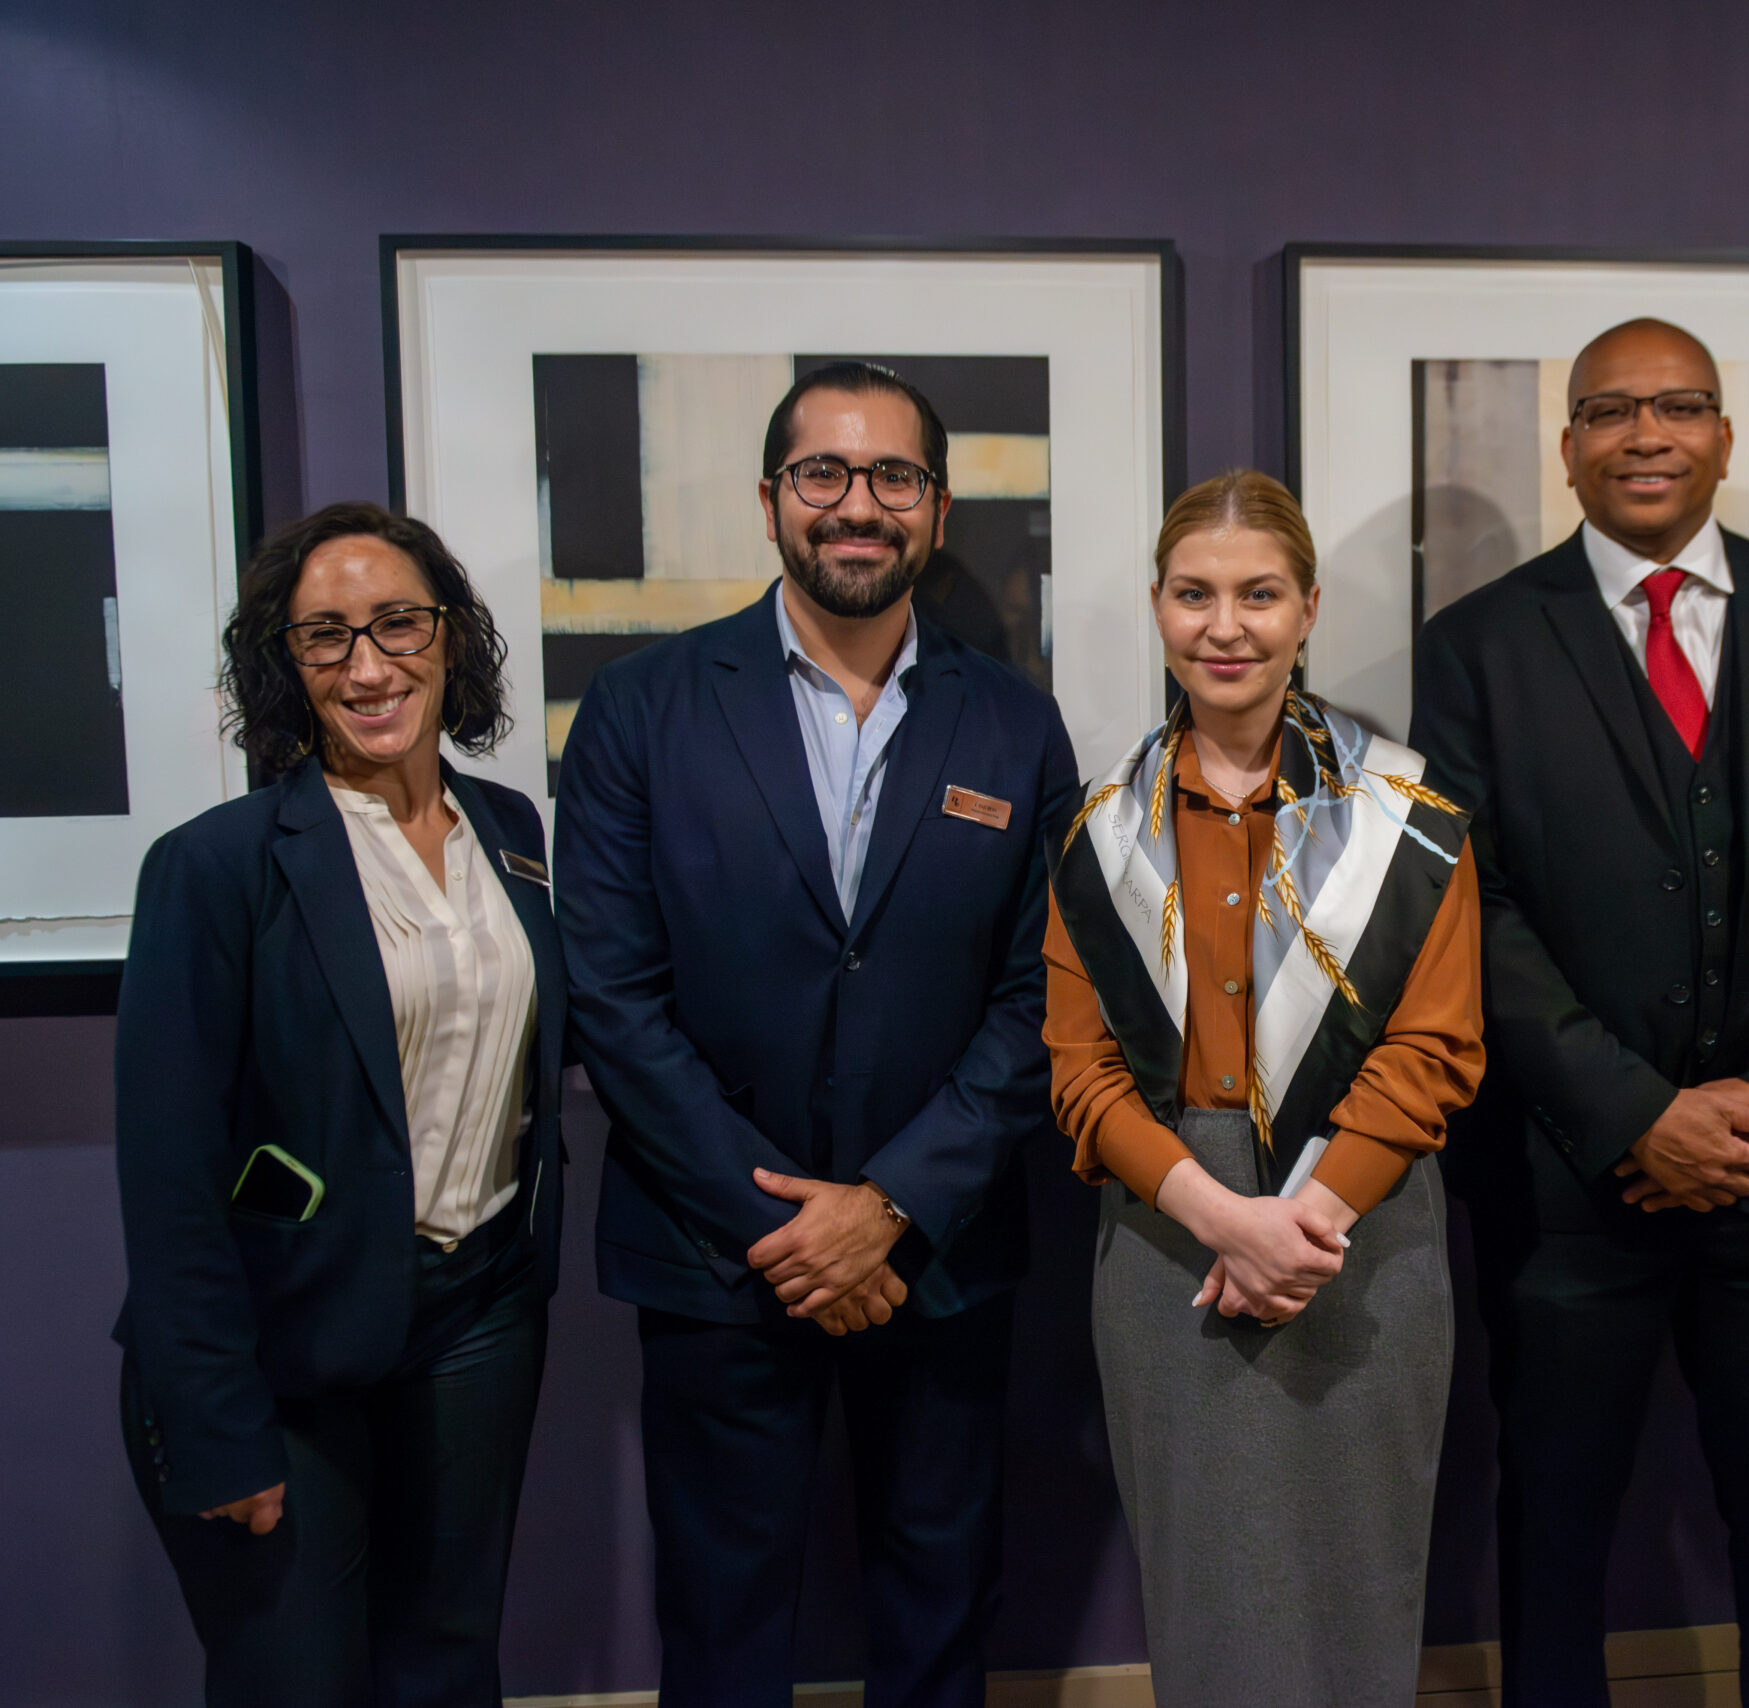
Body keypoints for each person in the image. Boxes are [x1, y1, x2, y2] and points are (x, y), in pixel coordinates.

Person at [553, 362, 1078, 1708]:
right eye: (824, 474)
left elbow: (1041, 996)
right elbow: (612, 995)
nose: (859, 505)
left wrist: (890, 1207)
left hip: (939, 1255)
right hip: (718, 1256)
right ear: (773, 500)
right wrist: (790, 1227)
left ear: (939, 510)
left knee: (941, 1616)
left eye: (894, 477)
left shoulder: (1014, 724)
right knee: (723, 1629)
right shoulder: (641, 708)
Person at [1408, 318, 1749, 1708]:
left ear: (1723, 437)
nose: (1647, 434)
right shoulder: (1480, 646)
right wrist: (1635, 1111)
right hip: (1567, 1187)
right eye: (1612, 411)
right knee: (1553, 1539)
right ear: (1566, 446)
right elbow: (1473, 907)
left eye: (1679, 407)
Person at [114, 501, 567, 1706]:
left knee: (448, 1665)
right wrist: (213, 1424)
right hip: (284, 1346)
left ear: (450, 638)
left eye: (397, 625)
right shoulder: (217, 866)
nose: (369, 667)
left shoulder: (512, 831)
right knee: (296, 1680)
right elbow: (168, 1178)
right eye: (325, 639)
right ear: (287, 668)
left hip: (474, 1321)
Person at [1043, 470, 1484, 1708]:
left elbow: (1434, 1050)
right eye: (1194, 594)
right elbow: (1079, 1071)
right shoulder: (1095, 829)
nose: (1223, 626)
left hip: (1361, 1224)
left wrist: (1296, 1220)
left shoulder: (1412, 810)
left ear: (1306, 609)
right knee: (1204, 1594)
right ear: (1157, 606)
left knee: (1359, 1577)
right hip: (1165, 1230)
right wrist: (1223, 1218)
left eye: (1257, 594)